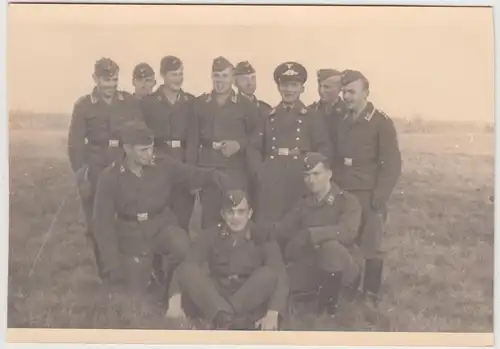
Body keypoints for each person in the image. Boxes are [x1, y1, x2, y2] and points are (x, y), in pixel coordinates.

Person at [92, 120, 237, 313]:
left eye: (150, 148)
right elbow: (103, 224)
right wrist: (112, 264)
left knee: (182, 245)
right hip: (131, 234)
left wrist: (215, 176)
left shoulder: (163, 164)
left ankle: (172, 288)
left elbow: (191, 174)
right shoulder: (109, 177)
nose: (149, 154)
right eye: (143, 150)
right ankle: (150, 276)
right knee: (135, 299)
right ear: (127, 148)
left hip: (161, 226)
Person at [253, 152, 362, 317]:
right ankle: (313, 293)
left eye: (316, 174)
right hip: (313, 265)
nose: (311, 180)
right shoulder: (303, 204)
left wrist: (312, 234)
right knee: (278, 284)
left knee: (330, 248)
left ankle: (329, 308)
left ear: (329, 174)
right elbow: (283, 228)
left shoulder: (347, 201)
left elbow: (347, 232)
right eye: (307, 176)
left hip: (344, 268)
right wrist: (252, 230)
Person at [67, 57, 144, 279]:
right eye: (105, 80)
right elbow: (75, 144)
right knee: (97, 222)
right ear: (95, 79)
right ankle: (106, 271)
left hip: (123, 167)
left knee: (127, 219)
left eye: (114, 80)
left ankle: (128, 268)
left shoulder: (129, 102)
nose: (110, 85)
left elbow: (139, 132)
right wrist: (82, 177)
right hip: (96, 169)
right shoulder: (83, 105)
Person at [333, 69, 402, 305]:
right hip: (345, 192)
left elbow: (391, 164)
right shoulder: (342, 119)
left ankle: (371, 294)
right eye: (344, 92)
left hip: (368, 194)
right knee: (347, 241)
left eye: (352, 92)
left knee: (371, 244)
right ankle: (349, 287)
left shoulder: (380, 122)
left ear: (366, 93)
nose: (347, 97)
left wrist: (379, 198)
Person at [177, 189, 288, 330]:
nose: (235, 217)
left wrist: (274, 311)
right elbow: (188, 265)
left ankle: (222, 318)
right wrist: (174, 300)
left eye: (241, 212)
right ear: (222, 214)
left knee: (269, 274)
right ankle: (231, 319)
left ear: (250, 214)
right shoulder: (211, 234)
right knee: (189, 270)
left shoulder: (263, 236)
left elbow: (280, 274)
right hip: (218, 294)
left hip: (248, 294)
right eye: (231, 212)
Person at [251, 62, 331, 226]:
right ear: (279, 87)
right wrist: (259, 172)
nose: (289, 90)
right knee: (271, 225)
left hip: (301, 179)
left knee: (299, 225)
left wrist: (316, 175)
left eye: (294, 85)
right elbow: (254, 147)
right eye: (285, 85)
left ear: (302, 88)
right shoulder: (268, 116)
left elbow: (324, 148)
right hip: (271, 179)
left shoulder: (312, 117)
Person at [187, 56, 261, 230]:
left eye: (224, 76)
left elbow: (257, 137)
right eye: (217, 75)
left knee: (234, 216)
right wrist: (192, 176)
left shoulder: (245, 105)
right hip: (208, 168)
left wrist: (239, 145)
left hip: (235, 170)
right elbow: (192, 142)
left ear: (232, 78)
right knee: (210, 219)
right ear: (212, 77)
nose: (220, 80)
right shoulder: (200, 104)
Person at [141, 56, 196, 232]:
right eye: (174, 74)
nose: (178, 78)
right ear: (163, 75)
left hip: (182, 166)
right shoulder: (148, 103)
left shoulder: (190, 102)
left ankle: (178, 259)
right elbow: (143, 139)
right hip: (158, 167)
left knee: (181, 222)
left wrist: (191, 172)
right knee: (157, 222)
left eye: (181, 74)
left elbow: (194, 141)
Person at [309, 69, 346, 162]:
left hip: (340, 168)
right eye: (320, 86)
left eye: (327, 87)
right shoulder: (310, 111)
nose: (321, 91)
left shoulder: (348, 112)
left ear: (339, 89)